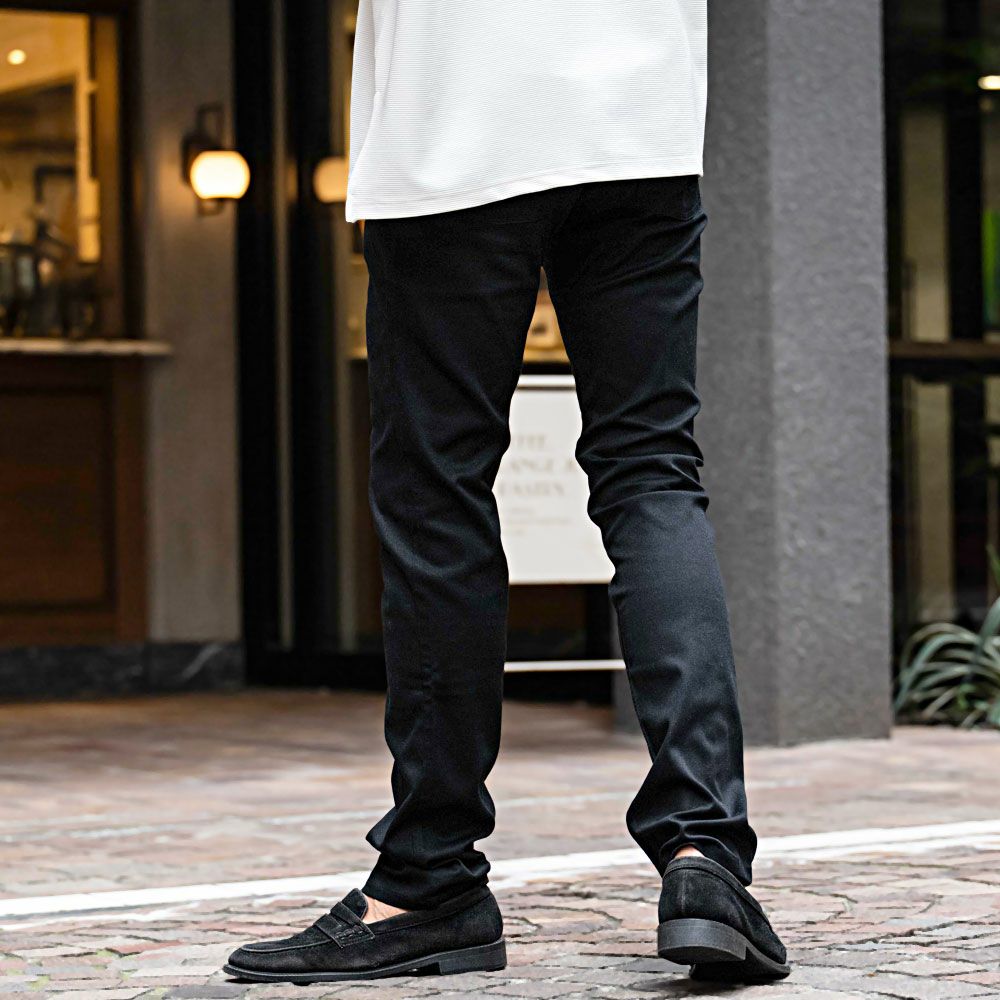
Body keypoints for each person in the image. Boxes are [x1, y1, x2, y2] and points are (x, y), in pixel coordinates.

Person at [225, 0, 789, 985]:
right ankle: (704, 855)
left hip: (457, 127)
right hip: (637, 127)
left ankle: (429, 876)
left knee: (438, 491)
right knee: (651, 467)